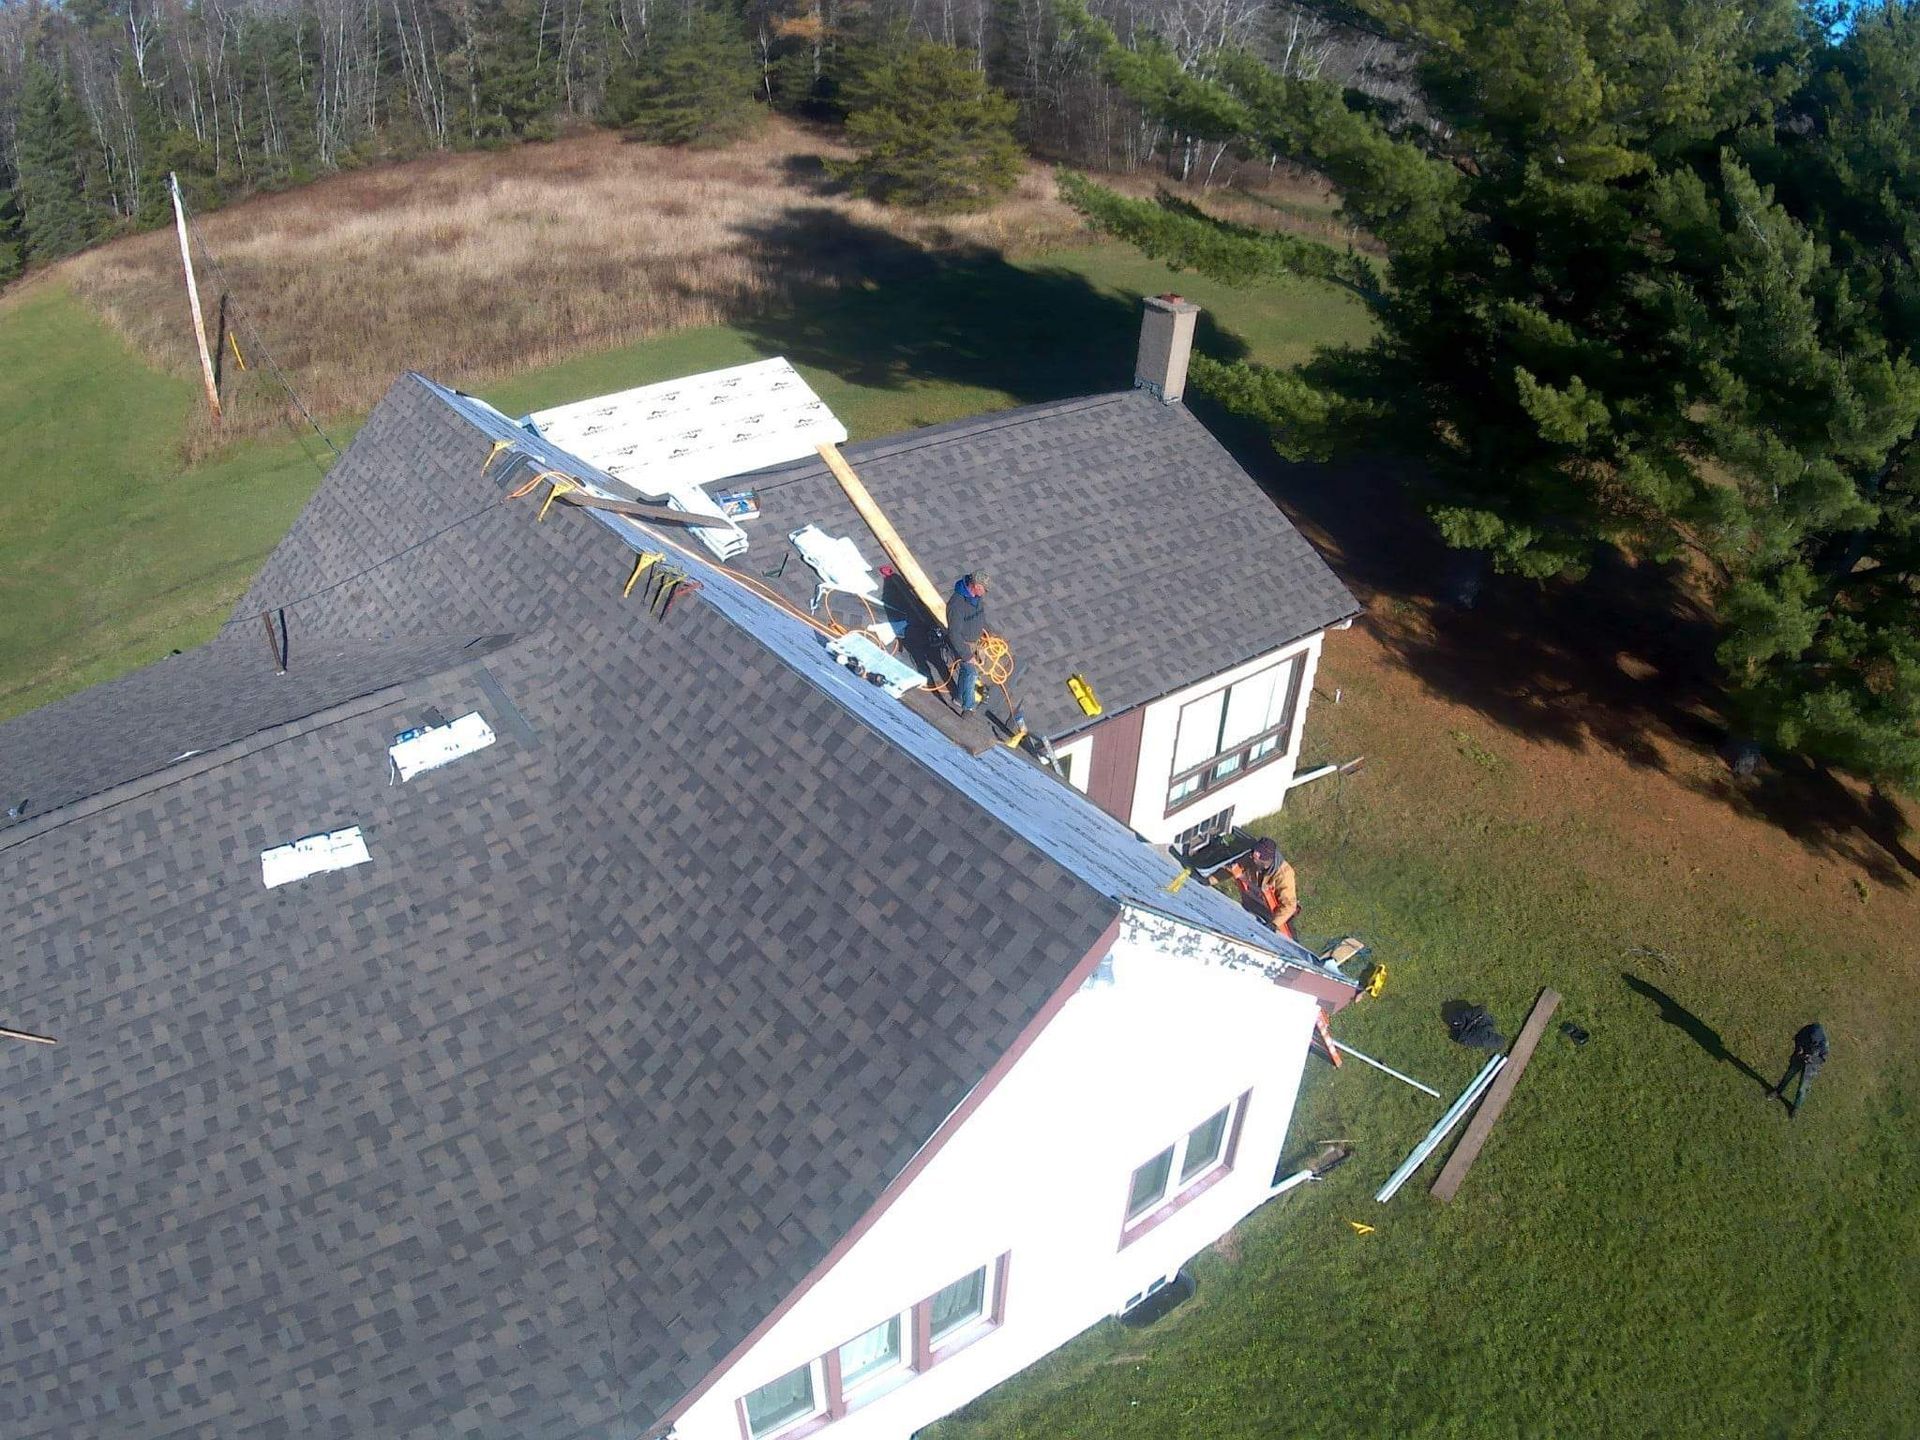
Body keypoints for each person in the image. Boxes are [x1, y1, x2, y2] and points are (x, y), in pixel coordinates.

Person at [942, 572, 1024, 732]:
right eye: (984, 589)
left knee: (970, 672)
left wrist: (989, 633)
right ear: (975, 586)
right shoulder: (957, 604)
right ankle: (968, 707)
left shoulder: (976, 599)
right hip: (963, 645)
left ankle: (959, 697)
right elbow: (954, 634)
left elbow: (979, 618)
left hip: (976, 642)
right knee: (971, 672)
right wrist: (967, 655)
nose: (985, 592)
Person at [1225, 838, 1299, 938]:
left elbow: (1289, 905)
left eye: (1257, 853)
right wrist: (1208, 880)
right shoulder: (1252, 858)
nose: (1253, 855)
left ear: (1265, 858)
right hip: (1253, 906)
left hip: (1276, 916)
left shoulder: (1285, 874)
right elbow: (1233, 868)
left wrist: (1274, 924)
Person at [1767, 1022, 1828, 1118]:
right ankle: (1777, 1092)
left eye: (1814, 1041)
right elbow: (1797, 1038)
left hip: (1811, 1066)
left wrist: (1811, 1058)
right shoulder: (1806, 1031)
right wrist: (1799, 1049)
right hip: (1799, 1057)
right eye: (1811, 1039)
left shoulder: (1823, 1043)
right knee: (1788, 1076)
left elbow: (1823, 1058)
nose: (1812, 1041)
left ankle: (1795, 1107)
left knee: (1802, 1088)